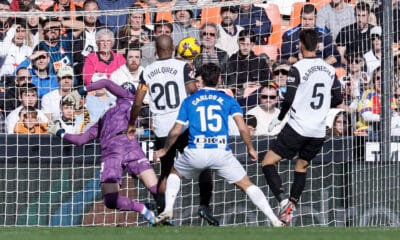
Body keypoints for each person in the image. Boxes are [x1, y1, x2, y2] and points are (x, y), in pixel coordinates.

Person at [153, 63, 284, 227]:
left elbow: (175, 130)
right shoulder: (228, 99)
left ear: (200, 80)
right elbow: (243, 127)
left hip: (196, 150)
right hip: (221, 151)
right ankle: (274, 219)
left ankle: (169, 209)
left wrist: (165, 150)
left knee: (174, 173)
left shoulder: (190, 101)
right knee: (247, 184)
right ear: (219, 79)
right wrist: (250, 148)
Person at [127, 35, 218, 226]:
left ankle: (162, 213)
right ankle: (204, 206)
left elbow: (137, 100)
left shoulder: (147, 72)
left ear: (154, 51)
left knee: (166, 172)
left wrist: (132, 123)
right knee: (203, 166)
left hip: (161, 130)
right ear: (174, 48)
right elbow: (193, 91)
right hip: (183, 126)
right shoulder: (182, 66)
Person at [46, 79, 158, 224]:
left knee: (155, 189)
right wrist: (60, 133)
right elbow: (81, 140)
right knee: (110, 200)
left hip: (130, 147)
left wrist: (80, 91)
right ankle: (143, 209)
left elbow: (106, 83)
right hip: (111, 153)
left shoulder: (128, 98)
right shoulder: (103, 119)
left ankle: (165, 216)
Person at [260, 29, 342, 225]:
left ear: (300, 45)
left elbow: (288, 98)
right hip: (318, 131)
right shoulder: (330, 70)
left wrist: (279, 118)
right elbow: (338, 98)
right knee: (301, 167)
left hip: (298, 127)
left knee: (267, 163)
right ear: (318, 46)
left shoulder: (297, 68)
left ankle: (282, 201)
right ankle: (291, 207)